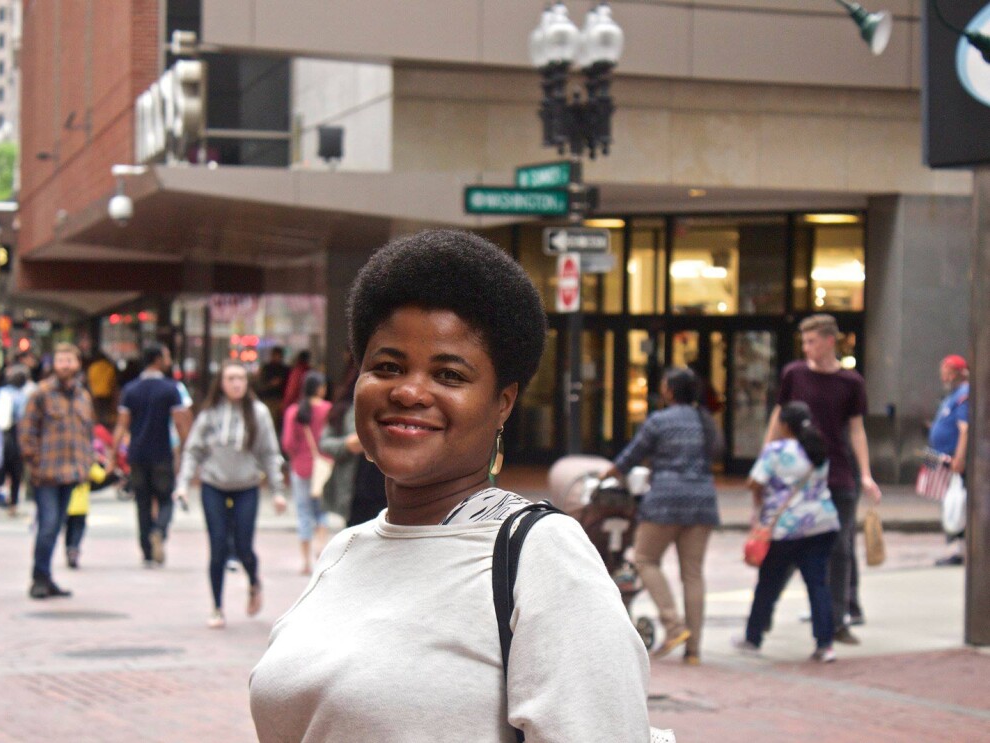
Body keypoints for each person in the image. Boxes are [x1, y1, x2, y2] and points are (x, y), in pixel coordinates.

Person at [250, 229, 650, 741]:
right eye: (387, 366)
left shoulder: (542, 557)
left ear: (502, 402)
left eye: (450, 375)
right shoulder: (343, 552)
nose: (410, 391)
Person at [764, 313, 882, 645]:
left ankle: (838, 619)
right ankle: (762, 615)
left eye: (812, 341)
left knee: (840, 548)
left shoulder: (851, 382)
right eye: (804, 341)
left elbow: (857, 429)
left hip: (839, 474)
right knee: (787, 544)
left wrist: (867, 474)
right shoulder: (794, 374)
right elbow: (779, 416)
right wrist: (767, 457)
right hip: (797, 476)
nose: (806, 348)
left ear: (831, 341)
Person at [604, 366, 721, 665]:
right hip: (702, 501)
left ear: (669, 391)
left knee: (644, 559)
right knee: (692, 573)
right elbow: (717, 453)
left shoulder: (659, 421)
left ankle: (673, 626)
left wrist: (610, 473)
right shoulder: (705, 421)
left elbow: (632, 455)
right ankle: (693, 650)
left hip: (665, 500)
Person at [174, 361, 288, 628]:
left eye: (241, 378)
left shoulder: (258, 413)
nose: (236, 383)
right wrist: (182, 484)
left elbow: (270, 454)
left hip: (246, 486)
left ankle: (254, 582)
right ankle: (217, 607)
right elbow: (193, 451)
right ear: (222, 383)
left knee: (244, 546)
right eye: (231, 378)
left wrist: (278, 491)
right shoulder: (210, 413)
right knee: (217, 547)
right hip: (213, 485)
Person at [735, 402, 841, 662]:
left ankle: (754, 636)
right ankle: (825, 643)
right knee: (818, 584)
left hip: (785, 528)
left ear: (784, 425)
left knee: (768, 584)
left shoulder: (776, 451)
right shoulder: (818, 448)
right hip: (821, 523)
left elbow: (755, 482)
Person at [19, 343, 95, 599]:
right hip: (47, 473)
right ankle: (39, 578)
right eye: (61, 360)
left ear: (78, 363)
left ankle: (47, 577)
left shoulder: (83, 396)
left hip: (72, 473)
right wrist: (34, 462)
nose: (65, 365)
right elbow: (27, 431)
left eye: (69, 360)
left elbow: (87, 434)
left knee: (58, 524)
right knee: (48, 524)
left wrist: (86, 464)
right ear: (53, 364)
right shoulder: (41, 394)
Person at [109, 343, 191, 567]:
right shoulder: (170, 388)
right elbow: (180, 423)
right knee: (166, 498)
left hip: (137, 453)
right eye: (165, 356)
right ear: (156, 359)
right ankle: (159, 531)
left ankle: (146, 551)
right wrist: (188, 451)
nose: (168, 360)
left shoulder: (131, 389)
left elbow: (121, 425)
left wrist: (112, 453)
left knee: (142, 502)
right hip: (161, 452)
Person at [319, 358, 387, 527]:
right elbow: (324, 442)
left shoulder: (395, 405)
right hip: (355, 491)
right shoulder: (344, 409)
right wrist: (346, 445)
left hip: (389, 490)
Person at [281, 371, 332, 575]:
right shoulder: (328, 410)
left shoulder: (294, 411)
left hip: (300, 468)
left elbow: (287, 443)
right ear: (320, 388)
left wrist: (297, 457)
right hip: (323, 468)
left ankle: (305, 561)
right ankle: (320, 550)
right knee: (322, 511)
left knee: (303, 512)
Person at [928, 354, 969, 566]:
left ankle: (959, 549)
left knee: (957, 504)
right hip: (943, 456)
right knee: (949, 501)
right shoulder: (952, 395)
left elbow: (965, 429)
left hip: (955, 459)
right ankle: (957, 548)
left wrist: (960, 458)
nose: (944, 377)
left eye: (947, 372)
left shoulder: (964, 394)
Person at [0, 364, 29, 516]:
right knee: (15, 471)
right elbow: (23, 418)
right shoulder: (22, 397)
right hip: (14, 435)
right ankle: (13, 503)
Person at [256, 347, 289, 428]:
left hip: (280, 399)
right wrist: (270, 384)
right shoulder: (266, 368)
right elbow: (260, 384)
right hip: (268, 398)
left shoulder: (285, 369)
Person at [86, 350, 119, 427]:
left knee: (97, 410)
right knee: (106, 410)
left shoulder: (93, 367)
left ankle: (99, 425)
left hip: (95, 393)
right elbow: (113, 380)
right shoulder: (109, 366)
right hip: (107, 393)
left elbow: (89, 379)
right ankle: (106, 425)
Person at [280, 350, 311, 415]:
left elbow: (291, 391)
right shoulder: (310, 371)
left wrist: (285, 406)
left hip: (295, 406)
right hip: (308, 406)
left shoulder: (297, 372)